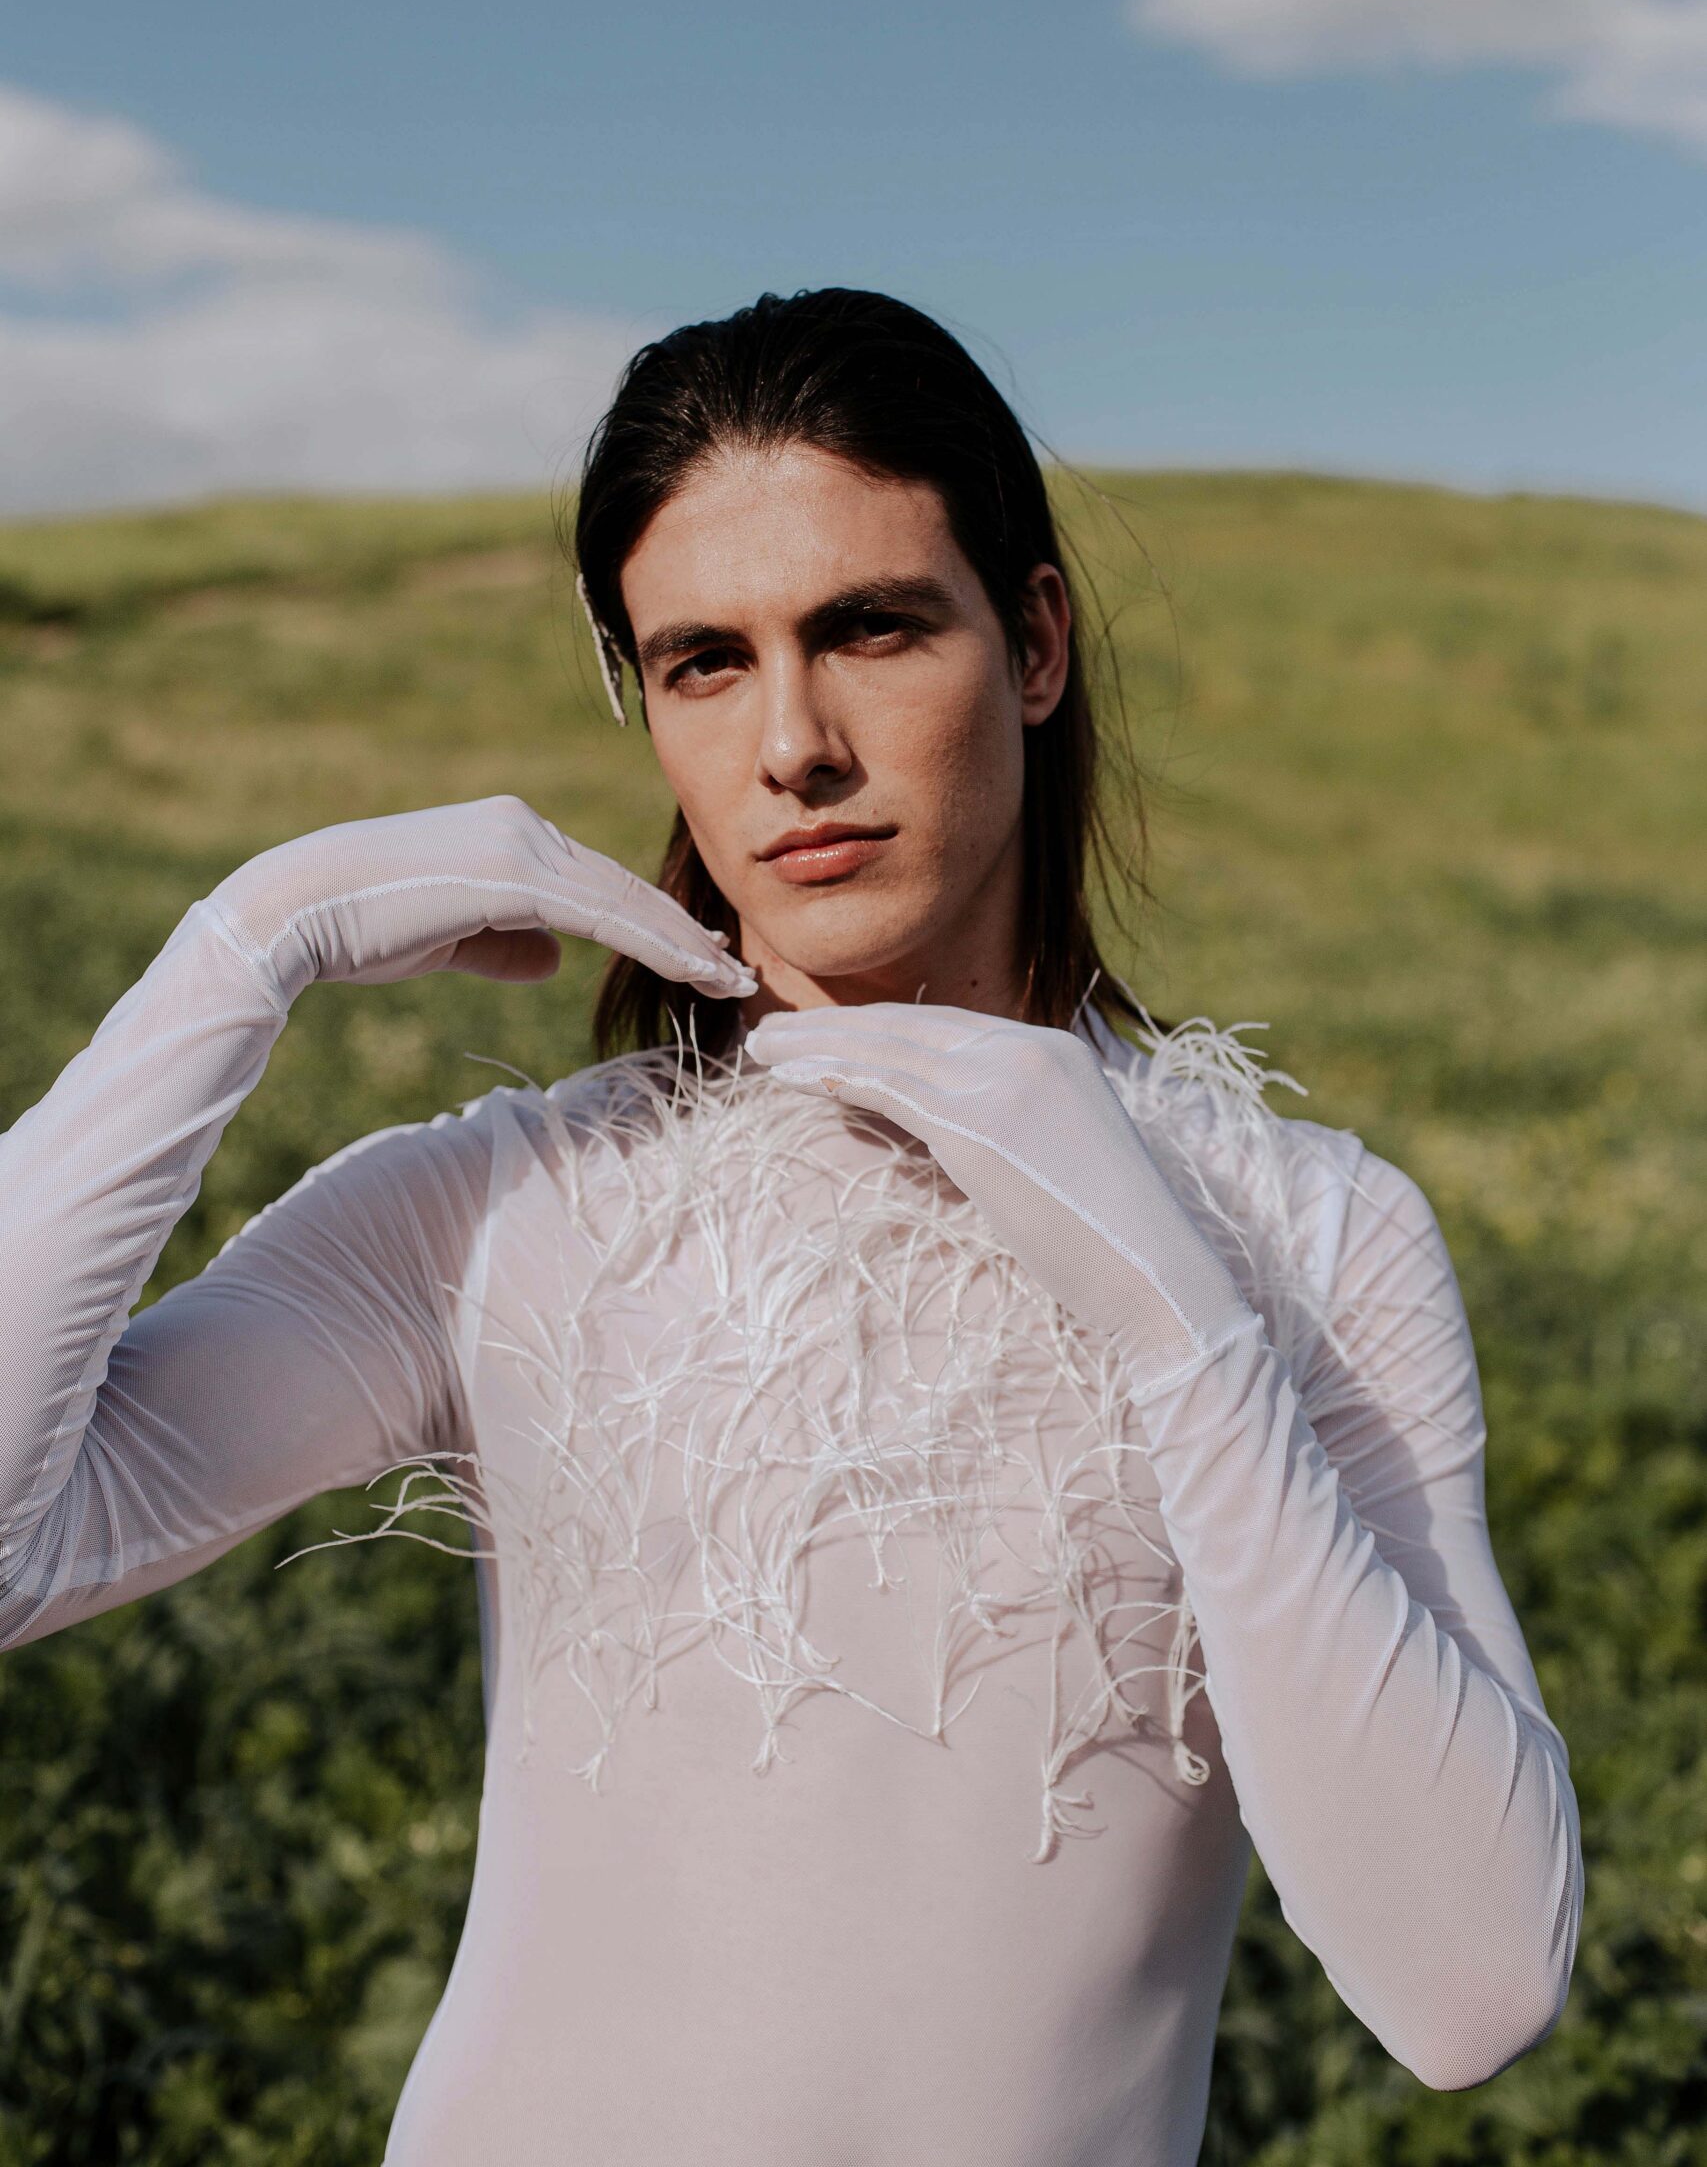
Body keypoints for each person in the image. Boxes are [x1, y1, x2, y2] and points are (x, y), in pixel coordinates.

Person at [0, 287, 1580, 2166]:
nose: (793, 745)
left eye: (871, 628)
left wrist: (1178, 1312)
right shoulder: (514, 1203)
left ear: (1036, 641)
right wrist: (244, 946)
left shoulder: (1308, 1236)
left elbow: (1471, 1988)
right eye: (703, 662)